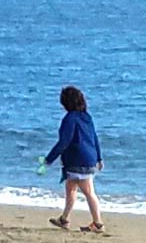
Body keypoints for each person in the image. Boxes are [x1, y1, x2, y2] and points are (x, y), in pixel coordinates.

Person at [43, 85, 102, 230]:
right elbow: (94, 138)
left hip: (78, 160)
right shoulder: (87, 117)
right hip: (89, 158)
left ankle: (98, 223)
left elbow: (64, 141)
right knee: (71, 188)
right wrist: (99, 158)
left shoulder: (70, 119)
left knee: (88, 192)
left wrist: (49, 159)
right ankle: (64, 219)